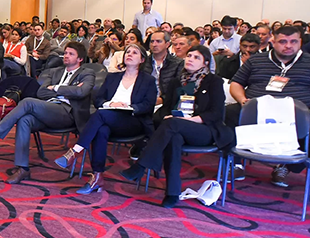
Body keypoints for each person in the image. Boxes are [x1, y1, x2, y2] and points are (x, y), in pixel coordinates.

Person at [121, 45, 233, 207]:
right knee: (173, 138)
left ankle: (141, 165)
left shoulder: (213, 82)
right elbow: (167, 107)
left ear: (206, 63)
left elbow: (216, 113)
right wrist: (168, 116)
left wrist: (187, 120)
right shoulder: (176, 81)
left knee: (172, 124)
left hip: (205, 129)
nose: (190, 59)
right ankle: (172, 193)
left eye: (196, 57)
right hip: (176, 128)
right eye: (189, 56)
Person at [0, 42, 94, 184]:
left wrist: (55, 88)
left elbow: (82, 91)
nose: (66, 56)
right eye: (65, 53)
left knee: (28, 102)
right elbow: (41, 92)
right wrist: (69, 90)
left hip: (67, 112)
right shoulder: (55, 72)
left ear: (80, 59)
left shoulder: (87, 73)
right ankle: (23, 168)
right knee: (25, 120)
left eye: (71, 54)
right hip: (47, 108)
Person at [54, 44, 157, 194]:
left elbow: (148, 105)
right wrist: (111, 104)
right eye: (127, 52)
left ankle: (75, 151)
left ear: (142, 59)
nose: (129, 54)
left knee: (100, 115)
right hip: (108, 117)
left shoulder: (148, 80)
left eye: (135, 53)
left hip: (133, 121)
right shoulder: (113, 77)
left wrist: (129, 107)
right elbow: (98, 99)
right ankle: (97, 176)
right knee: (101, 129)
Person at [225, 25, 310, 186]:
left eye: (293, 41)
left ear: (300, 42)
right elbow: (236, 83)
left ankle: (286, 166)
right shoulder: (256, 60)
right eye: (283, 41)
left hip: (296, 114)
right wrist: (243, 101)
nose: (288, 46)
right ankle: (236, 163)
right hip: (257, 110)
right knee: (228, 113)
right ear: (272, 42)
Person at [142, 30, 183, 103]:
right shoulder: (143, 62)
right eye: (152, 41)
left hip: (167, 102)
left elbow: (177, 88)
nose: (154, 44)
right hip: (144, 100)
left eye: (158, 41)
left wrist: (162, 99)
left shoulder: (177, 63)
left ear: (167, 44)